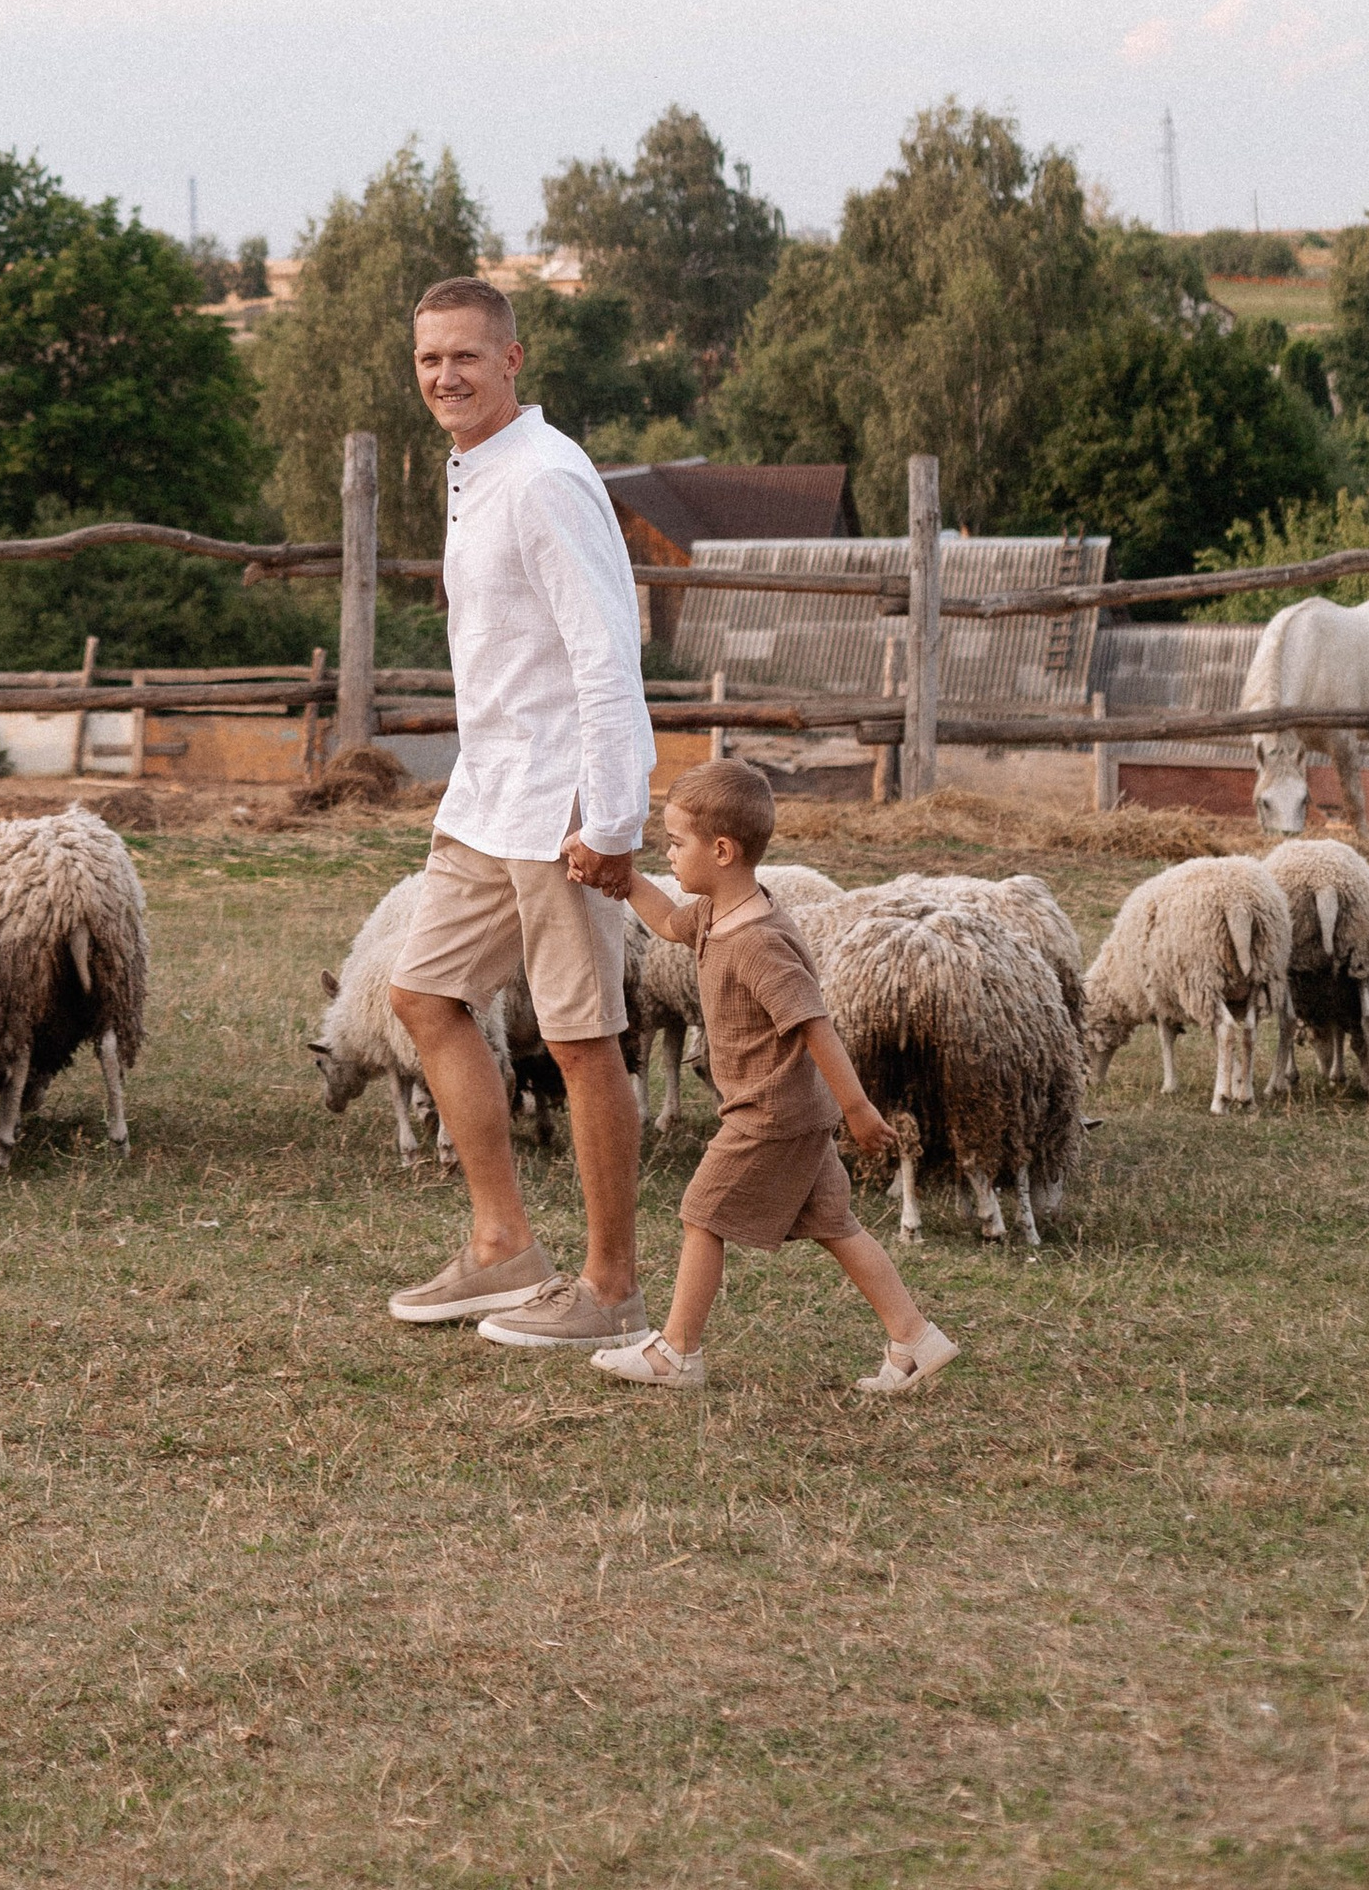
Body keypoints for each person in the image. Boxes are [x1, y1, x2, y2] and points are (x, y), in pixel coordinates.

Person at [384, 275, 656, 1346]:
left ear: (511, 359)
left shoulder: (544, 477)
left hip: (560, 804)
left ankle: (611, 1289)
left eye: (465, 355)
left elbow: (605, 653)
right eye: (428, 359)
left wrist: (614, 818)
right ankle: (502, 1247)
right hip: (486, 795)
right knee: (422, 996)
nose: (445, 376)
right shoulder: (473, 470)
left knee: (582, 1043)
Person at [519, 757, 957, 1395]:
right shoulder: (715, 913)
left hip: (768, 1112)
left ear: (721, 850)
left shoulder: (758, 941)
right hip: (792, 1110)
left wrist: (859, 1109)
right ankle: (915, 1338)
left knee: (702, 1214)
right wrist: (622, 878)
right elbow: (667, 922)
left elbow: (814, 1025)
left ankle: (677, 1352)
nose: (669, 854)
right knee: (835, 1224)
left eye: (676, 843)